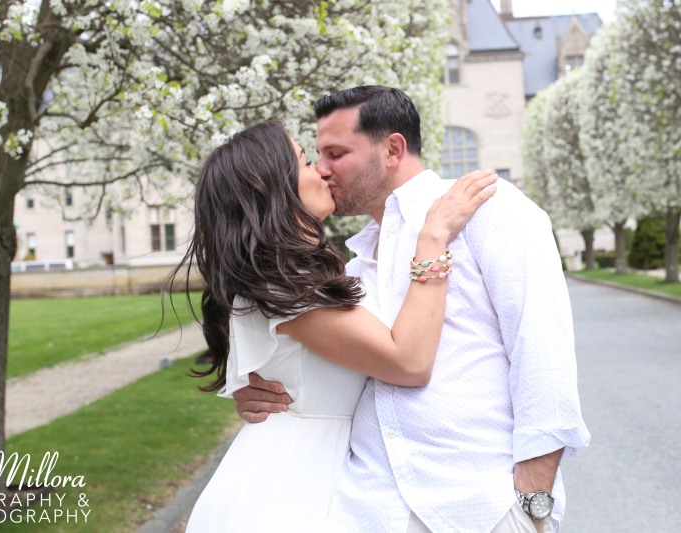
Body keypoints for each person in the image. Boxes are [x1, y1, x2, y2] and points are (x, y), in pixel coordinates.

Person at [233, 86, 591, 533]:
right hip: (368, 506)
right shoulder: (353, 266)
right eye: (315, 155)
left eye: (336, 153)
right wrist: (268, 393)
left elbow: (543, 358)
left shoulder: (491, 210)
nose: (322, 170)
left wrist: (531, 503)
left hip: (480, 506)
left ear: (392, 149)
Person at [170, 120, 497, 532]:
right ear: (274, 188)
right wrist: (433, 240)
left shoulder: (296, 277)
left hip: (320, 473)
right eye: (306, 161)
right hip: (285, 492)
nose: (322, 170)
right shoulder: (284, 285)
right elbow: (409, 363)